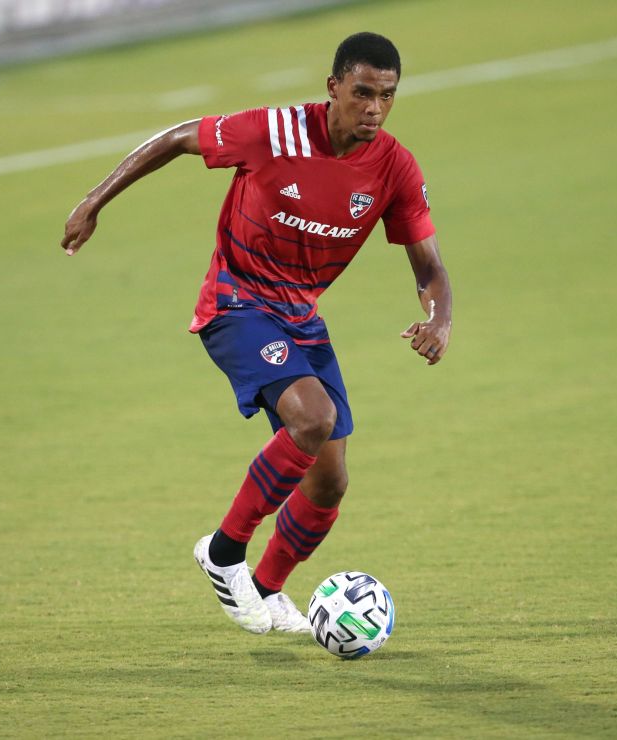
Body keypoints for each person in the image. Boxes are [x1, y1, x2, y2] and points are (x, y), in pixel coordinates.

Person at [61, 32, 452, 635]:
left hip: (300, 315)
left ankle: (267, 591)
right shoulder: (273, 132)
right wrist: (94, 200)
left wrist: (439, 318)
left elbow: (428, 264)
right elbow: (176, 138)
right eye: (362, 92)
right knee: (313, 418)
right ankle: (222, 552)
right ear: (334, 88)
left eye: (387, 96)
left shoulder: (394, 166)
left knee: (330, 482)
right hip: (235, 303)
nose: (374, 108)